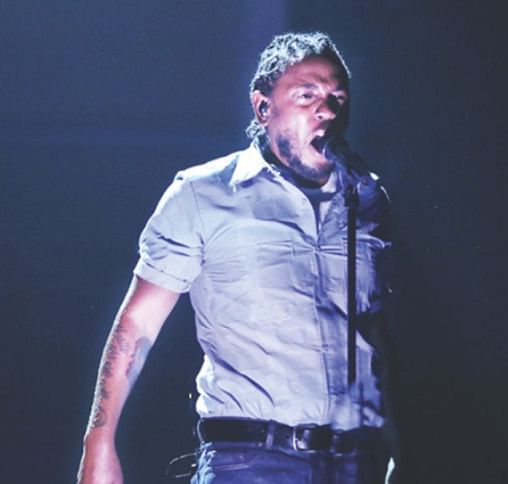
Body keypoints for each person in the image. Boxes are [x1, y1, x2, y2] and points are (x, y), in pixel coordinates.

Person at [77, 32, 396, 484]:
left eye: (337, 98)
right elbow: (138, 325)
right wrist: (99, 441)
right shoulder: (203, 193)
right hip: (251, 461)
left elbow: (378, 335)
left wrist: (398, 446)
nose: (326, 110)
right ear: (263, 107)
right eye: (307, 95)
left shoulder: (367, 196)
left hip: (357, 463)